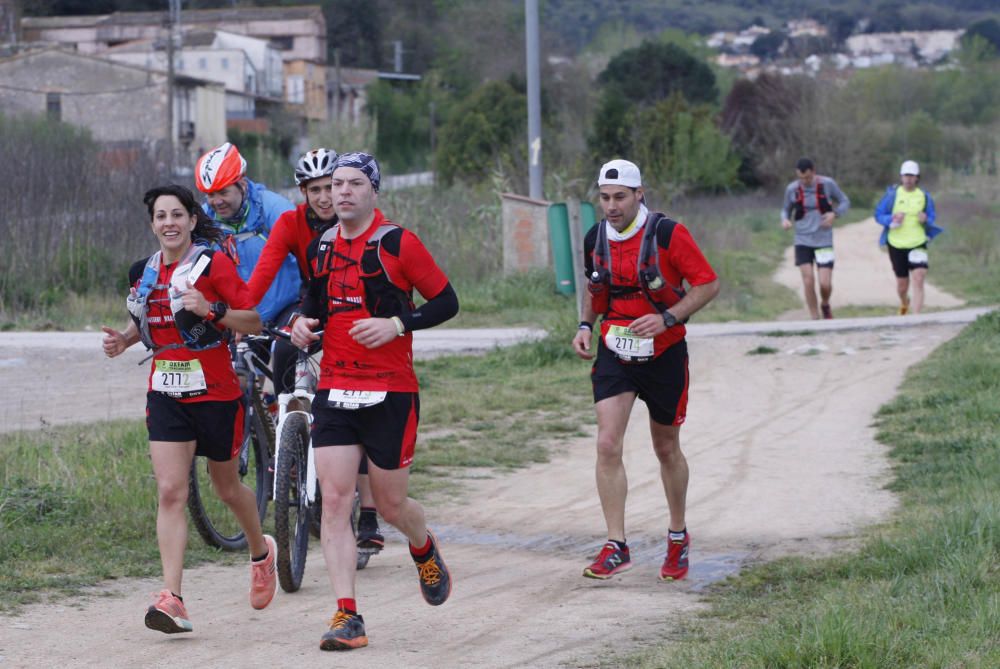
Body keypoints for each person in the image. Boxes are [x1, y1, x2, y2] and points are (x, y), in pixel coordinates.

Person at [290, 152, 459, 650]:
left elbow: (446, 302)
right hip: (336, 389)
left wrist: (398, 323)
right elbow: (312, 301)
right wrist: (303, 323)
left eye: (354, 184)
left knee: (389, 503)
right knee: (337, 500)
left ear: (373, 192)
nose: (341, 192)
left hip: (391, 392)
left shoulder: (398, 243)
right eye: (336, 184)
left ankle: (422, 545)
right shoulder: (320, 246)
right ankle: (348, 616)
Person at [101, 184, 277, 634]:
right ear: (152, 224)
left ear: (192, 220)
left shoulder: (212, 263)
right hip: (165, 391)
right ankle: (172, 597)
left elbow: (253, 318)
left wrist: (213, 310)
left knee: (227, 489)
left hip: (216, 393)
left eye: (177, 214)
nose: (169, 223)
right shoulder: (143, 271)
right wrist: (125, 339)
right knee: (170, 491)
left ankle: (261, 553)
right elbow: (149, 320)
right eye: (161, 216)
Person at [571, 159, 719, 583]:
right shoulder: (594, 236)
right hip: (615, 351)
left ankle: (677, 536)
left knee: (666, 448)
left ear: (640, 194)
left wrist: (668, 318)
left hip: (665, 353)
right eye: (605, 197)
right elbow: (595, 287)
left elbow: (708, 283)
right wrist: (585, 325)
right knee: (606, 443)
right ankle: (616, 545)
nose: (612, 206)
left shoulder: (668, 233)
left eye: (620, 197)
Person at [247, 147, 385, 553]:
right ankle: (293, 437)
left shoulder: (363, 223)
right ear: (302, 193)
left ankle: (370, 515)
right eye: (315, 190)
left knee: (353, 407)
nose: (325, 197)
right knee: (284, 352)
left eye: (331, 187)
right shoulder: (291, 224)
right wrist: (237, 313)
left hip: (360, 304)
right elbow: (262, 275)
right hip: (314, 302)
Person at [195, 142, 300, 393]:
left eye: (222, 192)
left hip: (285, 305)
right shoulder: (205, 219)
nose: (216, 201)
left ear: (241, 184)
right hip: (242, 314)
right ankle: (255, 425)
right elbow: (194, 266)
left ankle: (290, 416)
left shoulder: (274, 209)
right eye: (210, 195)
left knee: (285, 359)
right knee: (238, 384)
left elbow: (308, 255)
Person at [780, 157, 850, 319]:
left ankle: (825, 303)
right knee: (808, 279)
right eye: (801, 178)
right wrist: (785, 220)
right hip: (802, 239)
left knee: (825, 283)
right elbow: (785, 210)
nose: (805, 181)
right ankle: (814, 318)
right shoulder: (792, 189)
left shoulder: (828, 184)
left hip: (823, 238)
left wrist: (835, 214)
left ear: (814, 172)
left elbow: (845, 201)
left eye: (808, 178)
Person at [873, 160, 942, 315]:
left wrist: (926, 219)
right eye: (906, 175)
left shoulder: (924, 196)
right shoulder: (892, 195)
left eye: (912, 176)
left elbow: (932, 216)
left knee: (919, 278)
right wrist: (891, 218)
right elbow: (878, 215)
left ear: (917, 177)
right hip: (896, 243)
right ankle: (904, 302)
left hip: (918, 242)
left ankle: (916, 318)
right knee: (902, 285)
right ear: (901, 177)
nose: (909, 179)